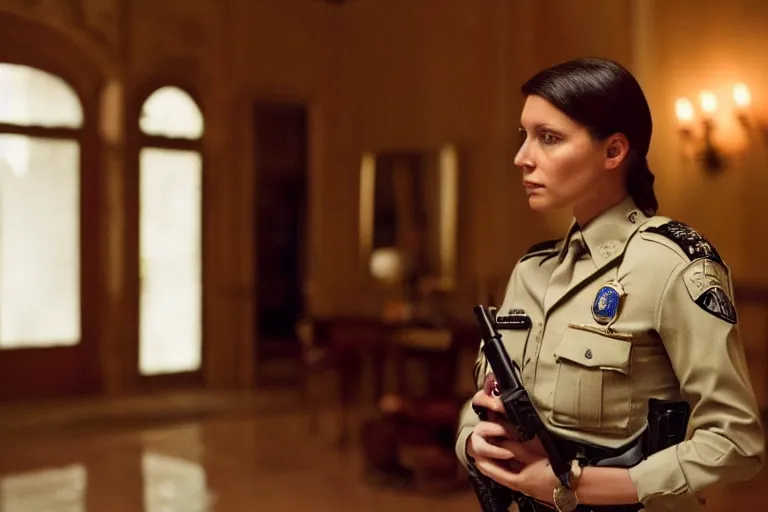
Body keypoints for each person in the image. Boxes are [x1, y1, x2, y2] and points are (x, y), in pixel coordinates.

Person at [454, 57, 765, 511]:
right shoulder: (531, 271)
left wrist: (574, 488)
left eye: (549, 138)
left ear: (613, 152)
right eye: (525, 135)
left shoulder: (671, 265)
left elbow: (736, 442)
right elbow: (487, 399)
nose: (522, 157)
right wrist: (471, 440)